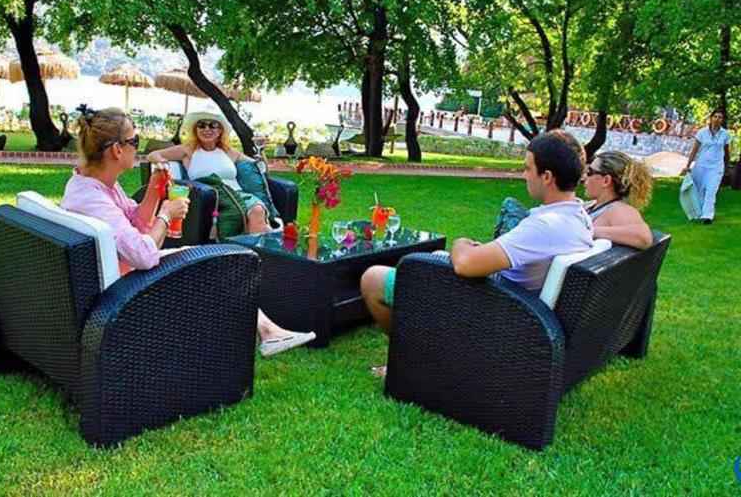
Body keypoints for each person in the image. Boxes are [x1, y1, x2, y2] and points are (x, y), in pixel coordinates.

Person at [61, 107, 315, 357]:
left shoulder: (97, 185)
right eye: (134, 141)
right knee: (215, 265)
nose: (137, 147)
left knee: (214, 260)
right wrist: (166, 215)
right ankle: (263, 333)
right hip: (124, 294)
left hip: (126, 276)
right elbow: (142, 255)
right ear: (117, 150)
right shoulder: (92, 199)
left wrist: (154, 189)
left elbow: (136, 224)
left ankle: (267, 331)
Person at [361, 131, 594, 376]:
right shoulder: (579, 218)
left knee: (374, 279)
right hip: (514, 304)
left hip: (491, 310)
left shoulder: (545, 226)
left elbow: (465, 265)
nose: (524, 175)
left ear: (546, 177)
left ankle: (410, 361)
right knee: (433, 258)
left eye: (528, 168)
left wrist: (461, 244)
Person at [147, 110, 271, 233]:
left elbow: (259, 166)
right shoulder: (188, 150)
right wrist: (162, 164)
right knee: (247, 220)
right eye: (201, 125)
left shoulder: (229, 152)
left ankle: (260, 241)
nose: (207, 129)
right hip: (210, 198)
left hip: (238, 195)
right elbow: (153, 155)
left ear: (220, 130)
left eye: (213, 125)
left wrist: (262, 150)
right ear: (196, 129)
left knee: (257, 211)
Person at [583, 151, 654, 249]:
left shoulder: (619, 210)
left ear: (606, 181)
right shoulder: (595, 205)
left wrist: (587, 231)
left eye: (589, 172)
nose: (584, 177)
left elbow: (643, 238)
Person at [681, 109, 733, 224]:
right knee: (699, 190)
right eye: (715, 116)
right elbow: (694, 150)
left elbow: (727, 152)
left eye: (720, 117)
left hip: (716, 167)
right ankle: (698, 212)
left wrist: (727, 167)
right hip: (701, 166)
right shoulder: (702, 132)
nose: (717, 119)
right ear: (711, 118)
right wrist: (688, 165)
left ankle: (707, 216)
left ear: (722, 120)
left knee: (711, 190)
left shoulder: (725, 134)